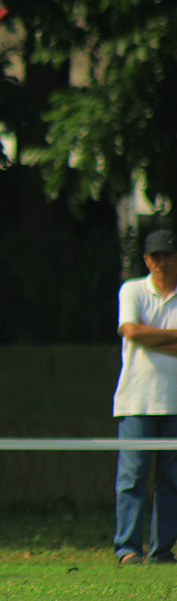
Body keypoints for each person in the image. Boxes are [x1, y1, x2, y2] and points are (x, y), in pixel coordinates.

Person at [112, 228, 177, 565]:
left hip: (175, 404)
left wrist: (148, 337)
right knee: (132, 478)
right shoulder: (132, 290)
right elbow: (130, 331)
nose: (162, 262)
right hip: (136, 401)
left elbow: (141, 334)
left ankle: (162, 550)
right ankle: (127, 549)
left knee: (172, 481)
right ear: (147, 260)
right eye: (156, 256)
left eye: (168, 255)